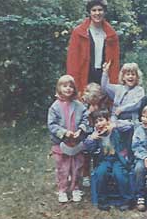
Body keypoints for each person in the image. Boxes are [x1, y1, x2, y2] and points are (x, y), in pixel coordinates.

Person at [67, 0, 120, 96]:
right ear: (89, 12)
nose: (97, 13)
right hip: (85, 74)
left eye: (100, 10)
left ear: (104, 12)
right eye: (94, 10)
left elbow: (115, 62)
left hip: (104, 75)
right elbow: (72, 61)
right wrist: (74, 84)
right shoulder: (79, 33)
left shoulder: (111, 34)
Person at [47, 75, 88, 203]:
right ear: (59, 88)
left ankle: (76, 188)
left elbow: (86, 120)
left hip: (77, 142)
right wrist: (64, 133)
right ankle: (62, 190)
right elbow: (52, 124)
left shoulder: (79, 106)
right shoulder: (55, 107)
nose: (68, 89)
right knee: (62, 167)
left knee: (77, 166)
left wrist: (81, 129)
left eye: (71, 86)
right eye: (65, 86)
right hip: (61, 143)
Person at [83, 109, 134, 211]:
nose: (99, 124)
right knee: (100, 173)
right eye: (96, 122)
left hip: (119, 159)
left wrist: (115, 125)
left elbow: (130, 125)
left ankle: (127, 199)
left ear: (108, 120)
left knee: (119, 174)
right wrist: (91, 139)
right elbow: (88, 149)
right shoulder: (95, 135)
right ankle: (102, 200)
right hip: (105, 159)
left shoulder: (116, 129)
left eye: (101, 120)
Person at [80, 82, 108, 187]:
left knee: (97, 155)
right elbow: (80, 118)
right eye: (91, 100)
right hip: (86, 133)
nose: (94, 102)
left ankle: (96, 173)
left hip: (98, 132)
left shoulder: (102, 105)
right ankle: (85, 175)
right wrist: (88, 112)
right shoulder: (83, 105)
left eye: (96, 100)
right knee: (86, 156)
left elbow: (105, 114)